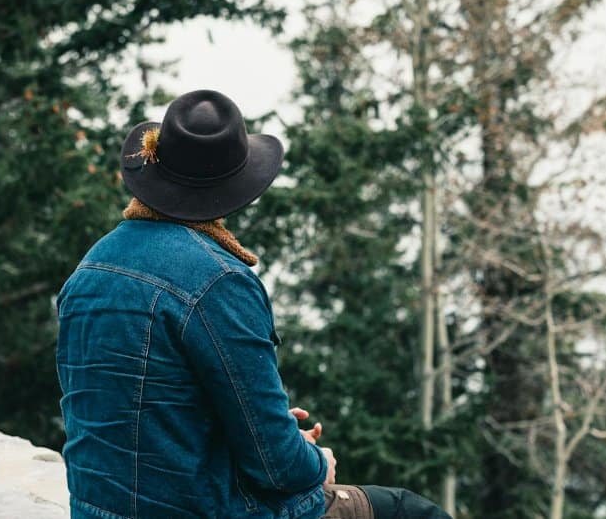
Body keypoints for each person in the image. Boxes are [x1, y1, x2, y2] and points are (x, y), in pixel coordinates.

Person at [56, 90, 451, 519]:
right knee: (408, 510)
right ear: (234, 187)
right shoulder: (220, 281)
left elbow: (141, 406)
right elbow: (278, 467)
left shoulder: (89, 269)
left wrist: (264, 421)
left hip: (100, 511)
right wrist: (317, 461)